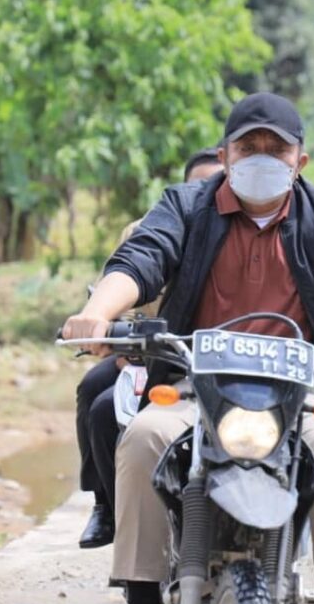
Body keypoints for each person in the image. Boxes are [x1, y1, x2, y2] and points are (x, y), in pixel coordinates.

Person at [62, 92, 314, 604]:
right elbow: (142, 258)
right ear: (225, 156)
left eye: (275, 149)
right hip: (194, 379)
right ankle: (141, 602)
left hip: (307, 383)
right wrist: (96, 312)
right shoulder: (185, 206)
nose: (261, 157)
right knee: (144, 437)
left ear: (300, 161)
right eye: (248, 146)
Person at [74, 147, 223, 551]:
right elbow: (125, 281)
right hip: (156, 353)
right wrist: (105, 324)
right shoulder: (148, 229)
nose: (209, 193)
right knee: (98, 400)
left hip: (228, 361)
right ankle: (107, 506)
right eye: (199, 186)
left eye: (218, 183)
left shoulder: (247, 231)